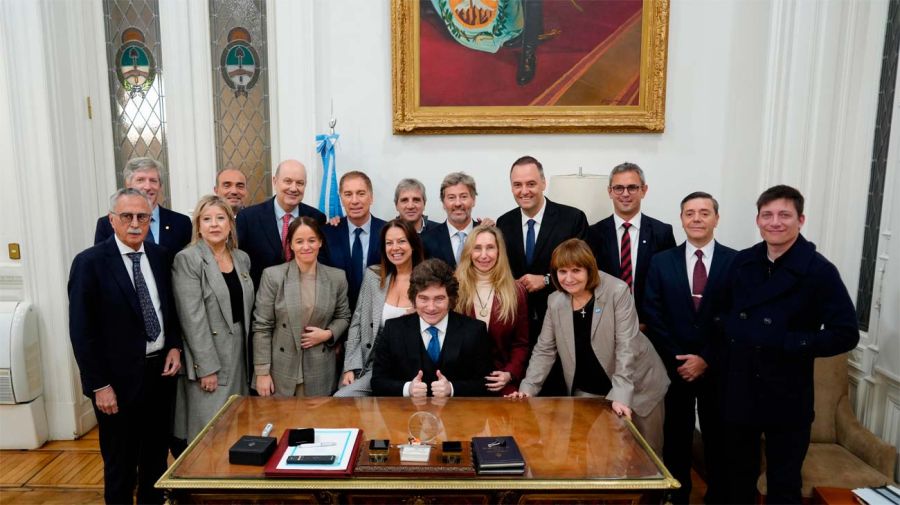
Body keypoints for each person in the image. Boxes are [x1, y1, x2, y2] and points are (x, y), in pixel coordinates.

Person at [719, 185, 859, 505]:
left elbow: (846, 332)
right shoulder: (743, 262)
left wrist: (789, 341)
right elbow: (721, 314)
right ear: (757, 220)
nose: (775, 222)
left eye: (784, 215)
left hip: (787, 391)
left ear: (801, 219)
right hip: (740, 387)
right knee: (737, 478)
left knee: (784, 483)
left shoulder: (819, 270)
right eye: (767, 215)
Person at [69, 188, 182, 504]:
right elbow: (81, 332)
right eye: (127, 216)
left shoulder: (160, 256)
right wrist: (99, 385)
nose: (135, 223)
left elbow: (168, 309)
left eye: (142, 217)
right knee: (120, 467)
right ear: (112, 220)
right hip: (115, 384)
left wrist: (173, 346)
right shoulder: (89, 263)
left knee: (155, 463)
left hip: (159, 376)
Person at [509, 239, 669, 454]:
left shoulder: (616, 291)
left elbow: (626, 346)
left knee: (646, 456)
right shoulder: (555, 301)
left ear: (589, 269)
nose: (568, 278)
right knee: (597, 457)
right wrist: (527, 389)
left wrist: (621, 396)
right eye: (562, 271)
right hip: (589, 391)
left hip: (638, 387)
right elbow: (544, 350)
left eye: (576, 270)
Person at [642, 192, 736, 504]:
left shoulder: (736, 263)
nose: (696, 219)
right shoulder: (661, 261)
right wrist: (680, 358)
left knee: (718, 439)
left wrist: (706, 357)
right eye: (690, 213)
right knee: (676, 439)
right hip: (674, 366)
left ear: (716, 219)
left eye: (704, 213)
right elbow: (653, 313)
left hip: (717, 367)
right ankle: (677, 497)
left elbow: (738, 317)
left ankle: (718, 496)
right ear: (681, 219)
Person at [496, 155, 588, 395]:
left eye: (531, 183)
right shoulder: (503, 223)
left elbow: (583, 270)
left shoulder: (572, 218)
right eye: (518, 185)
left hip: (562, 321)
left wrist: (546, 279)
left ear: (544, 183)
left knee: (558, 401)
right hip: (519, 329)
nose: (524, 191)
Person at [171, 195, 254, 442]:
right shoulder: (188, 259)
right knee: (210, 433)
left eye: (220, 218)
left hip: (240, 354)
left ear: (230, 223)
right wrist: (206, 368)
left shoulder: (241, 258)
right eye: (207, 219)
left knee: (238, 428)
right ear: (198, 224)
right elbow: (192, 319)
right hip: (210, 357)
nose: (214, 224)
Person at [252, 216, 351, 396]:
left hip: (320, 369)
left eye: (312, 240)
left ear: (320, 242)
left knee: (315, 422)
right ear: (290, 244)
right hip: (281, 370)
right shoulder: (273, 276)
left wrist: (328, 334)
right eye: (299, 241)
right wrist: (262, 373)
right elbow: (262, 327)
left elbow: (344, 316)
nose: (306, 247)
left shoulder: (337, 278)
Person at [371, 259, 492, 397]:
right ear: (413, 299)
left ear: (451, 299)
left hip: (458, 414)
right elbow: (377, 382)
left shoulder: (475, 330)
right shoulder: (393, 329)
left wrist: (452, 389)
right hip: (406, 414)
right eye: (423, 298)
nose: (431, 307)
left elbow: (485, 384)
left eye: (439, 299)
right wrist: (408, 388)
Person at [335, 219, 425, 397]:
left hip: (412, 367)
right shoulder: (373, 276)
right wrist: (350, 367)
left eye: (401, 241)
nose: (395, 248)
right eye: (389, 243)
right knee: (342, 399)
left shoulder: (427, 279)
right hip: (371, 364)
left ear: (413, 244)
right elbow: (357, 324)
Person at [586, 162, 676, 322]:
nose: (625, 194)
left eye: (632, 187)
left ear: (644, 190)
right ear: (610, 192)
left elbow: (669, 283)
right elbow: (589, 281)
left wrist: (649, 321)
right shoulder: (594, 233)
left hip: (650, 324)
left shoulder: (662, 232)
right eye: (618, 188)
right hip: (605, 321)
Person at [454, 225, 530, 395]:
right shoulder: (454, 288)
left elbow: (521, 343)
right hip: (461, 383)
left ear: (499, 252)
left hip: (502, 383)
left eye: (490, 248)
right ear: (468, 252)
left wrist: (509, 373)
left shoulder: (516, 291)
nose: (484, 255)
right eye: (477, 248)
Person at [236, 159, 327, 289]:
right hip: (262, 298)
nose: (294, 188)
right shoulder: (248, 218)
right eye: (288, 181)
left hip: (305, 296)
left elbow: (321, 261)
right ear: (275, 181)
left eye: (300, 183)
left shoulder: (317, 218)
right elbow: (240, 264)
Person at [93, 157, 192, 254]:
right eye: (140, 180)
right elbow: (100, 263)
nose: (148, 187)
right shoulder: (108, 224)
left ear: (160, 186)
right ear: (128, 185)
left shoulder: (181, 223)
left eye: (153, 180)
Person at [320, 171, 386, 311]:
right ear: (341, 199)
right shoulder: (327, 233)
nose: (355, 200)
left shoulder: (388, 232)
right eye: (348, 194)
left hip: (378, 314)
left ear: (371, 197)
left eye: (361, 193)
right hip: (337, 315)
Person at [422, 172, 481, 269]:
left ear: (473, 200)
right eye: (451, 198)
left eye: (463, 197)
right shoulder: (427, 240)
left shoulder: (486, 234)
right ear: (443, 203)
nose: (458, 203)